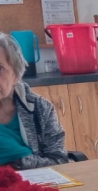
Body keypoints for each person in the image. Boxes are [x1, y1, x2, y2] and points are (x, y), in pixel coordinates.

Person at [0, 33, 68, 169]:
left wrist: (18, 160)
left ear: (16, 75)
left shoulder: (40, 108)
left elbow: (59, 160)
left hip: (31, 180)